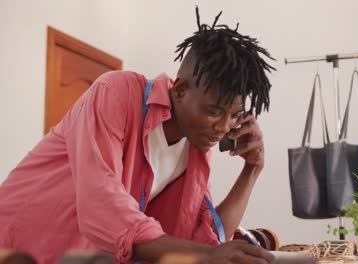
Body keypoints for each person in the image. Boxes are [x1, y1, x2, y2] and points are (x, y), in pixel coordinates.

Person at [0, 7, 277, 264]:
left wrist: (251, 171)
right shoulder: (116, 93)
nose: (223, 126)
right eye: (215, 111)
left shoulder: (195, 143)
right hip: (17, 244)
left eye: (234, 115)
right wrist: (208, 255)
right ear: (180, 90)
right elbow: (101, 204)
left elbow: (204, 239)